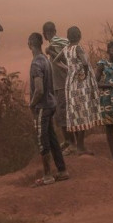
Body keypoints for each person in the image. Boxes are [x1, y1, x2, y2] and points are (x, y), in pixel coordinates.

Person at [28, 32, 69, 186]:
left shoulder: (36, 63)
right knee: (52, 139)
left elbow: (39, 89)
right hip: (51, 104)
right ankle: (62, 170)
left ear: (30, 44)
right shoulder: (45, 60)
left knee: (42, 140)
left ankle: (47, 176)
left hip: (42, 107)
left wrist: (32, 104)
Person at [64, 26, 102, 154]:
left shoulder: (66, 49)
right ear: (79, 35)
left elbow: (57, 60)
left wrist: (70, 69)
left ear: (68, 37)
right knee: (84, 114)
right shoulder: (78, 48)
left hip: (71, 85)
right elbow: (85, 62)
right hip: (81, 85)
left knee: (76, 114)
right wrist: (84, 73)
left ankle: (79, 146)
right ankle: (81, 147)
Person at [43, 21, 74, 152]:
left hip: (62, 84)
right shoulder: (61, 42)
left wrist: (51, 52)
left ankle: (71, 143)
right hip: (59, 84)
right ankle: (67, 141)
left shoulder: (54, 44)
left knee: (64, 114)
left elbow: (64, 60)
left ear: (45, 34)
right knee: (61, 114)